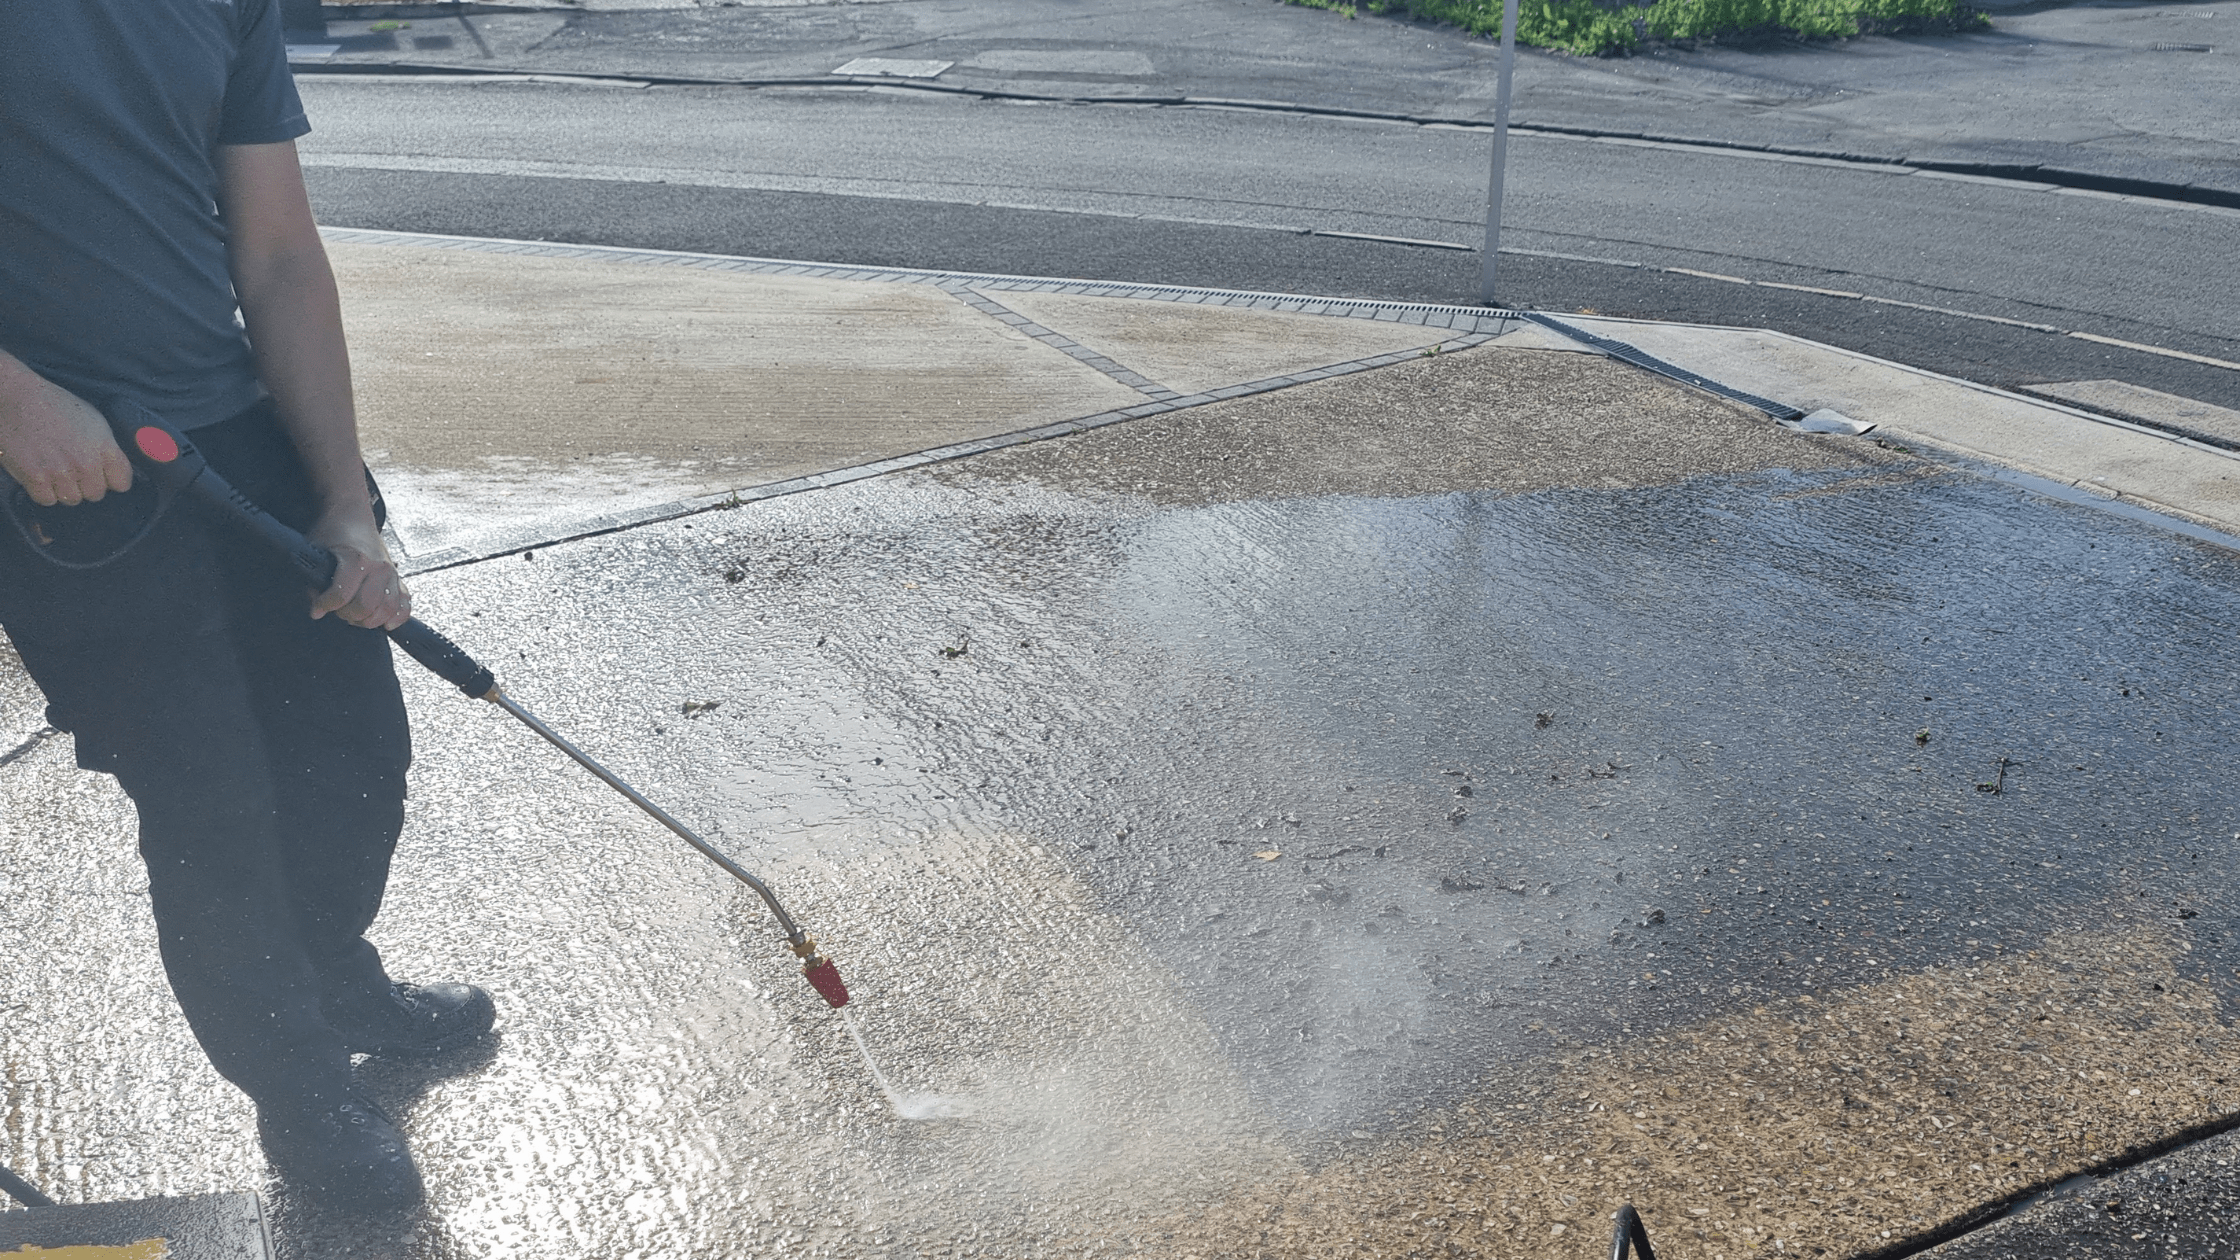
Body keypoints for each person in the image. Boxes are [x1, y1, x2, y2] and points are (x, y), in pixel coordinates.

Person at [0, 0, 493, 1209]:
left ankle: (331, 977)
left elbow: (275, 255)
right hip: (60, 476)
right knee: (207, 792)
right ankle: (299, 1083)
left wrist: (342, 503)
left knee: (352, 754)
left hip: (240, 431)